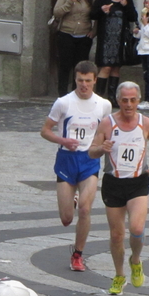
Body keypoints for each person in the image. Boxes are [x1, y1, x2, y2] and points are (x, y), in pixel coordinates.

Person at [41, 60, 111, 272]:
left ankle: (78, 254)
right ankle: (70, 200)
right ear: (75, 79)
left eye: (88, 81)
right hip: (66, 160)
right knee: (66, 218)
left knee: (85, 208)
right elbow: (45, 130)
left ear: (95, 81)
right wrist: (63, 141)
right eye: (80, 80)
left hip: (89, 160)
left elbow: (108, 133)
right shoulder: (63, 103)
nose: (84, 85)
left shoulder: (103, 105)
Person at [88, 81, 149, 294]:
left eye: (133, 100)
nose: (129, 104)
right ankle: (119, 275)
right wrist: (101, 148)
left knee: (136, 228)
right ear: (118, 101)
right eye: (124, 100)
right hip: (113, 183)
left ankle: (135, 260)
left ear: (138, 100)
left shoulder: (146, 123)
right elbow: (91, 151)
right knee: (117, 235)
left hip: (137, 182)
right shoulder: (107, 124)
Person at [90, 0, 138, 106]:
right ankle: (99, 96)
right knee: (105, 67)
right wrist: (101, 10)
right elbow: (92, 14)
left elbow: (133, 17)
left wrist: (126, 5)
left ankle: (112, 97)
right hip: (106, 38)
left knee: (116, 67)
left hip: (120, 39)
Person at [52, 0, 95, 97]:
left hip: (84, 35)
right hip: (66, 33)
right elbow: (57, 12)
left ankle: (76, 93)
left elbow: (97, 15)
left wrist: (94, 31)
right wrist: (69, 3)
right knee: (65, 65)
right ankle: (62, 94)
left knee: (80, 66)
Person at [134, 0, 149, 110]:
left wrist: (146, 24)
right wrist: (137, 32)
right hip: (144, 50)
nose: (147, 5)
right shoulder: (146, 18)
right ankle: (147, 99)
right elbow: (143, 35)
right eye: (145, 2)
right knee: (146, 75)